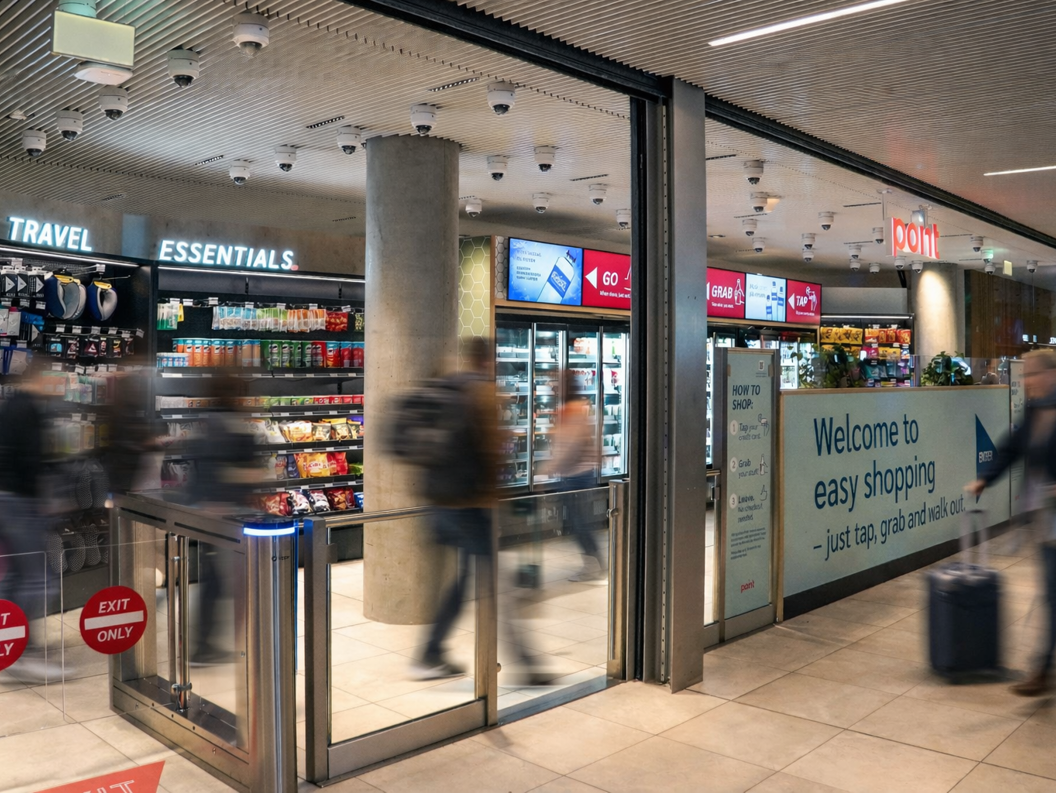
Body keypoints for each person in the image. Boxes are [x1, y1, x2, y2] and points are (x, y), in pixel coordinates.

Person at [968, 348, 1056, 696]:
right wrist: (984, 479)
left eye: (1032, 374)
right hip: (1047, 519)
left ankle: (1042, 669)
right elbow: (1011, 449)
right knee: (1051, 593)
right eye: (1025, 375)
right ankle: (1043, 667)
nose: (1027, 381)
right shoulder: (1035, 411)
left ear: (1051, 375)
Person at [411, 338, 499, 680]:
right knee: (488, 583)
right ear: (486, 360)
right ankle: (521, 665)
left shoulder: (446, 388)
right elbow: (491, 451)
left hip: (437, 500)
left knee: (458, 582)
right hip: (468, 505)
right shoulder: (481, 392)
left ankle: (431, 652)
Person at [0, 355, 57, 681]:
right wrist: (41, 499)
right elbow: (29, 461)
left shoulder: (13, 405)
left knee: (14, 578)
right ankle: (23, 654)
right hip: (20, 502)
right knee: (39, 580)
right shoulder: (28, 410)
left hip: (8, 499)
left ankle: (9, 648)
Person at [547, 369, 606, 582]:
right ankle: (595, 562)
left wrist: (549, 468)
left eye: (557, 384)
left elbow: (568, 446)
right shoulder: (579, 408)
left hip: (576, 475)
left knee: (579, 523)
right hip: (581, 473)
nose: (554, 388)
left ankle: (593, 565)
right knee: (580, 522)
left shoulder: (571, 411)